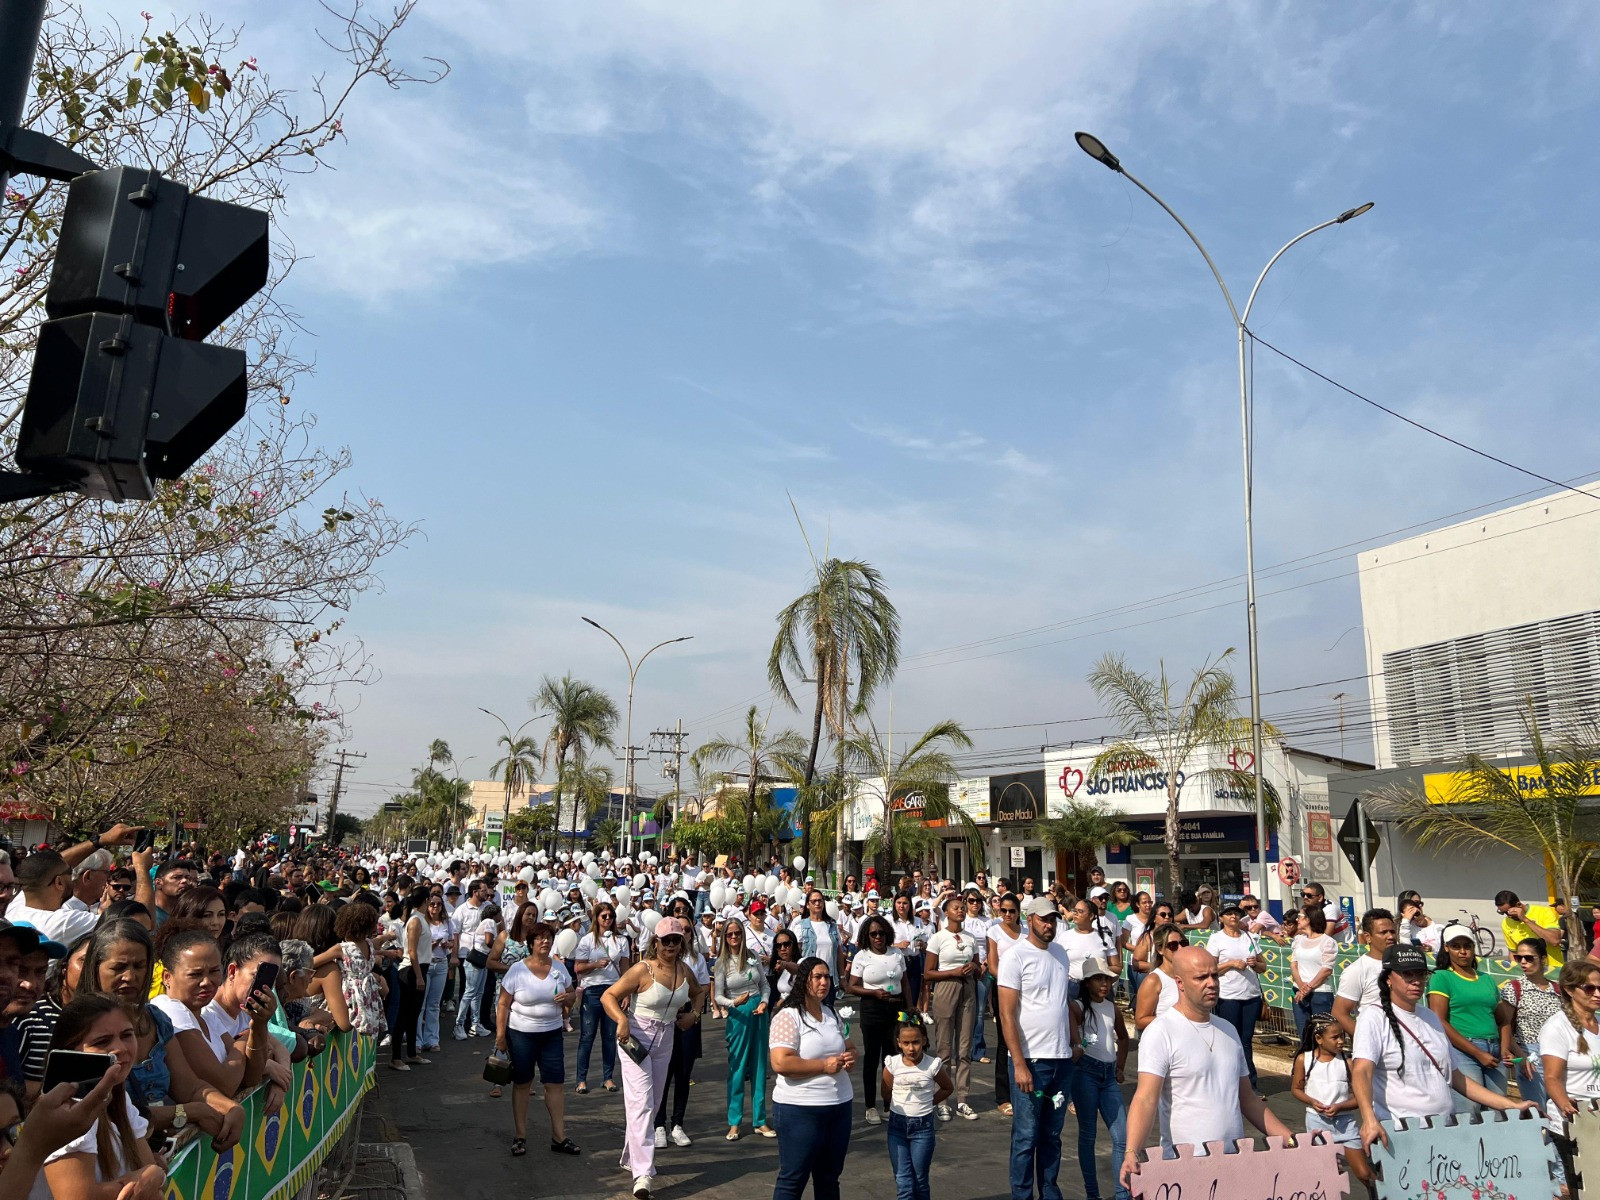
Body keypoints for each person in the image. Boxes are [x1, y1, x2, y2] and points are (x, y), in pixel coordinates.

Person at [1121, 948, 1293, 1192]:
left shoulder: (1228, 1031)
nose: (1211, 983)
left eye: (1214, 976)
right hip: (1185, 1170)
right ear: (1180, 983)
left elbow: (1248, 1100)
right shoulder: (1161, 1032)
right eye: (1201, 978)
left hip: (1234, 1165)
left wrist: (1293, 1140)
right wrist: (1131, 1152)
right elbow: (1145, 1098)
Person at [1352, 943, 1534, 1155]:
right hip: (1400, 1136)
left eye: (1421, 974)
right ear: (1388, 979)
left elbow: (1457, 1078)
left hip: (1443, 1133)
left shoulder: (1430, 1017)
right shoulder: (1373, 1017)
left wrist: (1510, 1105)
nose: (1416, 981)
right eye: (1407, 975)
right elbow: (1361, 1071)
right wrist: (1369, 1119)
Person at [603, 917, 704, 1200]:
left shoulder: (685, 970)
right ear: (655, 942)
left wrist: (693, 1016)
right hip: (636, 1037)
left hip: (666, 1039)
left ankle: (629, 1156)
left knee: (653, 1101)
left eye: (676, 940)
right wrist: (621, 1019)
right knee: (642, 1104)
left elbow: (699, 993)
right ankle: (643, 1173)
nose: (671, 945)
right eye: (666, 940)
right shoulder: (642, 969)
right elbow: (609, 996)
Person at [38, 995, 164, 1200]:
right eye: (102, 1041)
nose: (121, 1048)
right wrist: (145, 1180)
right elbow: (75, 1196)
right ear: (71, 1051)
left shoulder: (118, 1095)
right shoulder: (69, 1107)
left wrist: (154, 1176)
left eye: (126, 1035)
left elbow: (147, 1168)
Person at [997, 896, 1075, 1200]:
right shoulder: (1015, 956)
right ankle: (1022, 1195)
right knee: (1026, 1137)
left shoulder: (1061, 954)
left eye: (1053, 919)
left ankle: (1050, 1194)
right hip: (1031, 1061)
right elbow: (1006, 1014)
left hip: (1062, 1061)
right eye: (1044, 919)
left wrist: (1076, 1041)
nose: (1049, 924)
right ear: (1030, 920)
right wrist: (1018, 1064)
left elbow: (1064, 1002)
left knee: (1052, 1137)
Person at [768, 955, 855, 1200]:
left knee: (829, 1179)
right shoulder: (788, 1016)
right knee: (793, 1179)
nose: (824, 982)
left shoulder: (831, 1013)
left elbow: (850, 1046)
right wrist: (823, 1066)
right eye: (817, 977)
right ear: (803, 980)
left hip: (839, 1108)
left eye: (827, 977)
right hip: (800, 1109)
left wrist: (850, 1057)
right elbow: (780, 1062)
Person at [494, 921, 578, 1158]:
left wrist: (568, 998)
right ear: (531, 943)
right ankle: (520, 1136)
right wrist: (501, 1036)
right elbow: (503, 1004)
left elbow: (572, 995)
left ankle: (559, 1137)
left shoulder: (559, 968)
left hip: (551, 1034)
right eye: (540, 938)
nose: (545, 942)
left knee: (555, 1084)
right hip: (521, 1034)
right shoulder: (517, 970)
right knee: (522, 1083)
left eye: (548, 938)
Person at [1428, 921, 1507, 1110]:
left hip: (1494, 1051)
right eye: (1456, 946)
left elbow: (1503, 1020)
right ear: (1446, 948)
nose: (1462, 951)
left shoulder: (1487, 979)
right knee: (1470, 1110)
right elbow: (1438, 1020)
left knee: (1501, 1111)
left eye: (1467, 946)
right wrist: (1477, 1052)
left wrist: (1504, 1049)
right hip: (1463, 1052)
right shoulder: (1441, 977)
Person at [1289, 1013, 1372, 1191]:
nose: (1341, 1041)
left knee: (1364, 1173)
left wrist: (1340, 1106)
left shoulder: (1347, 1063)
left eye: (1342, 1035)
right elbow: (1296, 1089)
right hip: (1317, 1123)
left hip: (1346, 1124)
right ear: (1319, 1038)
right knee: (1326, 1173)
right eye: (1335, 1037)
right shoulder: (1305, 1060)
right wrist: (1312, 1101)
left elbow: (1359, 1099)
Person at [1538, 957, 1600, 1191]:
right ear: (1569, 990)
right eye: (1589, 988)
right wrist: (1568, 1108)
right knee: (1583, 1188)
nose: (1596, 993)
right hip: (1574, 1121)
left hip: (1598, 1118)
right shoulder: (1556, 1027)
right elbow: (1552, 1078)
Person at [1070, 957, 1129, 1200]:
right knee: (1088, 1135)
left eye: (1106, 978)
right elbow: (1069, 1024)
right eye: (1098, 978)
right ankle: (1092, 1195)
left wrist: (1120, 1067)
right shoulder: (1078, 1006)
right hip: (1085, 1072)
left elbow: (1124, 1038)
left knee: (1122, 1138)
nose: (1104, 983)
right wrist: (1078, 1044)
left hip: (1108, 1076)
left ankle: (1122, 1194)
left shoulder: (1111, 1008)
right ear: (1086, 983)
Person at [655, 897, 709, 1150]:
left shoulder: (695, 961)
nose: (681, 937)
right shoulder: (656, 960)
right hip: (662, 1023)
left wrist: (694, 1015)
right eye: (677, 932)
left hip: (686, 1022)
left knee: (683, 1074)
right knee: (662, 1075)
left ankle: (677, 1124)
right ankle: (658, 1124)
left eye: (686, 931)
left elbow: (701, 991)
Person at [882, 1014, 952, 1200]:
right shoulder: (892, 1064)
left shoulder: (932, 1065)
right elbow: (886, 1092)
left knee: (920, 1180)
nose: (911, 1048)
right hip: (897, 1127)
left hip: (923, 1128)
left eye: (915, 1042)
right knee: (903, 1180)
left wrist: (928, 1102)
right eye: (906, 1043)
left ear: (924, 1040)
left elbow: (947, 1088)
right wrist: (897, 1106)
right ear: (898, 1043)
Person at [922, 894, 979, 1121]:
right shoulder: (938, 938)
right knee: (944, 1048)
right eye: (956, 908)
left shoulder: (971, 937)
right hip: (946, 987)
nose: (961, 910)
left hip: (968, 988)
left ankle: (963, 1099)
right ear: (946, 912)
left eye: (962, 908)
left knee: (964, 1048)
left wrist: (974, 966)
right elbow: (928, 973)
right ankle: (942, 1099)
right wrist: (952, 972)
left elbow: (978, 965)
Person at [715, 919, 771, 1141]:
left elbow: (764, 984)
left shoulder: (753, 956)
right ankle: (734, 1122)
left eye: (738, 933)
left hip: (759, 1009)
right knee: (737, 1068)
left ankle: (760, 1120)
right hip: (738, 1014)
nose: (734, 937)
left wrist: (765, 1001)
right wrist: (732, 1003)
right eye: (729, 934)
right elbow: (718, 994)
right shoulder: (722, 962)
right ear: (724, 938)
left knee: (759, 1065)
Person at [848, 914, 906, 1124]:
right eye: (873, 934)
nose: (878, 937)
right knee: (872, 1058)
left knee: (891, 1059)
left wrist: (910, 1008)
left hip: (895, 1008)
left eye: (881, 933)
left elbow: (905, 982)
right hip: (872, 1008)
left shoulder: (897, 953)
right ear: (867, 936)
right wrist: (872, 993)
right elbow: (851, 985)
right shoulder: (862, 956)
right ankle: (870, 1106)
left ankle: (889, 1104)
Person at [1499, 936, 1561, 1109]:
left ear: (1542, 959)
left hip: (1557, 1054)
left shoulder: (1557, 990)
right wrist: (1522, 1057)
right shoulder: (1514, 988)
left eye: (1529, 958)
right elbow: (1505, 1028)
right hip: (1530, 1053)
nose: (1523, 962)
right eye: (1519, 958)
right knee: (1538, 1109)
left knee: (1561, 1109)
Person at [574, 901, 628, 1094]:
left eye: (610, 916)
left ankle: (608, 1077)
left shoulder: (621, 940)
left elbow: (625, 969)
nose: (607, 919)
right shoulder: (587, 940)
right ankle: (581, 1079)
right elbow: (578, 968)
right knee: (587, 1037)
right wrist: (594, 964)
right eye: (603, 916)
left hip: (613, 991)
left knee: (608, 1037)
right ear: (596, 918)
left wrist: (626, 993)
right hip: (592, 991)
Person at [1332, 908, 1398, 1037]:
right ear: (1368, 937)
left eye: (1392, 931)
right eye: (1383, 932)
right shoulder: (1356, 971)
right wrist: (1365, 1040)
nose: (1390, 937)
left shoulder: (1404, 964)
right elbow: (1339, 1013)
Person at [986, 892, 1024, 1116]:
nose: (1007, 914)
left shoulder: (1027, 932)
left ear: (1019, 912)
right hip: (1002, 988)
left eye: (1012, 911)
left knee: (1024, 1037)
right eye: (1004, 910)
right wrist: (1008, 984)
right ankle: (1003, 1096)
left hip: (1026, 991)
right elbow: (992, 965)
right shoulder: (994, 931)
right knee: (1005, 1041)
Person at [392, 886, 431, 1070]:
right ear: (426, 900)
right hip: (410, 970)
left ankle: (412, 1053)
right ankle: (395, 1057)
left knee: (414, 1013)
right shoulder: (415, 921)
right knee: (404, 1013)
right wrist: (419, 976)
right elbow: (412, 952)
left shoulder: (421, 919)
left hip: (420, 968)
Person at [1290, 906, 1337, 1035]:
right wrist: (1300, 986)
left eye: (1300, 916)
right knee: (1304, 1033)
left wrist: (1307, 988)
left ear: (1309, 919)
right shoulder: (1298, 940)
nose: (1297, 919)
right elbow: (1294, 965)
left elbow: (1326, 970)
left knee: (1322, 1033)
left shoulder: (1327, 942)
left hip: (1320, 993)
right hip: (1298, 992)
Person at [1133, 925, 1186, 1033]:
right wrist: (1177, 1021)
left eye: (1183, 943)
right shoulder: (1154, 980)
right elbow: (1140, 1021)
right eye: (1173, 945)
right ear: (1160, 949)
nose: (1180, 948)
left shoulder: (1189, 975)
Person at [1497, 890, 1564, 972]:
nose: (1508, 916)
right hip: (1529, 974)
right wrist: (1515, 972)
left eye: (1509, 912)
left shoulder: (1543, 912)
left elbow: (1555, 940)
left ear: (1518, 905)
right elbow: (1513, 952)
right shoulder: (1506, 923)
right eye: (1503, 913)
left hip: (1553, 971)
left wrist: (1526, 920)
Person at [961, 891, 992, 1064]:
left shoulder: (987, 921)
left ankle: (978, 1050)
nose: (975, 904)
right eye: (972, 901)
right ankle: (963, 1048)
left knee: (979, 1012)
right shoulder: (962, 919)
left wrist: (985, 964)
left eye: (978, 901)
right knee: (964, 1011)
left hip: (983, 969)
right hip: (965, 969)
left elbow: (990, 946)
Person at [795, 890, 843, 986]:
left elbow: (839, 952)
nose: (817, 903)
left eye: (820, 901)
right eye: (814, 901)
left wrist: (842, 977)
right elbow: (797, 953)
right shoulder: (800, 926)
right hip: (810, 978)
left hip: (830, 977)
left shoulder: (832, 926)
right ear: (808, 905)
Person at [890, 894, 926, 1009]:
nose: (902, 906)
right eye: (899, 903)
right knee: (897, 996)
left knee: (913, 996)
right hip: (897, 960)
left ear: (910, 905)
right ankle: (898, 1024)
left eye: (905, 903)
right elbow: (882, 943)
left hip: (914, 960)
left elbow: (925, 942)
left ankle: (909, 1023)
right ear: (894, 904)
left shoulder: (918, 921)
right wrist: (897, 945)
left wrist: (922, 944)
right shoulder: (889, 920)